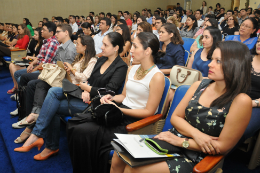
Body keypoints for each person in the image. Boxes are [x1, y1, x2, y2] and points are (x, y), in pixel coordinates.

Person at [110, 40, 252, 173]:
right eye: (212, 59)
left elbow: (221, 147)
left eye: (218, 61)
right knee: (118, 155)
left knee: (132, 169)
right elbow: (175, 118)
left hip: (196, 154)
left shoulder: (241, 100)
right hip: (171, 140)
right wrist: (197, 135)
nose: (210, 64)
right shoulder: (198, 86)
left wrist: (182, 142)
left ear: (235, 65)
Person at [14, 32, 128, 166]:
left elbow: (110, 91)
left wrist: (88, 89)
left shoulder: (121, 66)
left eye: (105, 45)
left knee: (53, 103)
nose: (101, 47)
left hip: (98, 104)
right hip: (86, 96)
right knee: (53, 92)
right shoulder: (102, 59)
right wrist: (87, 89)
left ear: (116, 48)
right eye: (102, 44)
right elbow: (90, 80)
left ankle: (42, 139)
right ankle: (40, 137)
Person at [67, 31, 165, 173]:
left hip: (134, 121)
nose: (130, 50)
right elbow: (124, 96)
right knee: (75, 125)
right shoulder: (132, 69)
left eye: (135, 47)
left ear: (147, 51)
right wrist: (110, 98)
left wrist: (118, 109)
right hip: (119, 111)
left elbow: (149, 112)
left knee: (83, 131)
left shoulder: (157, 76)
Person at [13, 34, 97, 143]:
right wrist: (68, 70)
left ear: (85, 47)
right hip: (67, 83)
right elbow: (73, 75)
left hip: (75, 89)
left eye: (78, 44)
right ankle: (34, 114)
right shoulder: (79, 57)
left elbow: (84, 77)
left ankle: (31, 127)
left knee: (46, 90)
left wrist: (71, 69)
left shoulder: (92, 60)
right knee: (38, 84)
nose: (76, 45)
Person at [13, 22, 59, 88]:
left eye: (44, 30)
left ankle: (23, 94)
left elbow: (45, 63)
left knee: (21, 78)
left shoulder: (52, 43)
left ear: (51, 33)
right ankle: (21, 92)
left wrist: (33, 70)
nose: (42, 31)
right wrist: (31, 64)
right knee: (17, 74)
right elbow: (39, 57)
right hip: (38, 66)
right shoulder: (46, 41)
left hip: (44, 70)